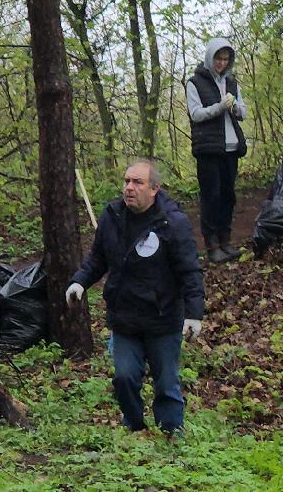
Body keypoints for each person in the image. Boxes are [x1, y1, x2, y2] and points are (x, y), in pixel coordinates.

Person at [66, 160, 205, 434]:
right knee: (124, 378)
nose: (129, 188)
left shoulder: (173, 223)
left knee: (166, 383)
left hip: (163, 319)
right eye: (127, 181)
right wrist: (79, 283)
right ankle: (135, 428)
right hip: (125, 319)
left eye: (137, 182)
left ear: (154, 189)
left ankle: (171, 432)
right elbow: (97, 259)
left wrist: (194, 314)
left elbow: (190, 271)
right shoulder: (112, 216)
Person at [185, 37, 249, 262]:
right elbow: (196, 114)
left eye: (225, 59)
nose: (221, 63)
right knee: (211, 196)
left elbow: (243, 112)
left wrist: (235, 107)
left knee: (228, 195)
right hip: (208, 148)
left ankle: (225, 241)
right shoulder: (195, 82)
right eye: (218, 59)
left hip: (231, 147)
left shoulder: (232, 83)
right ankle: (212, 245)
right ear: (210, 58)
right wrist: (219, 107)